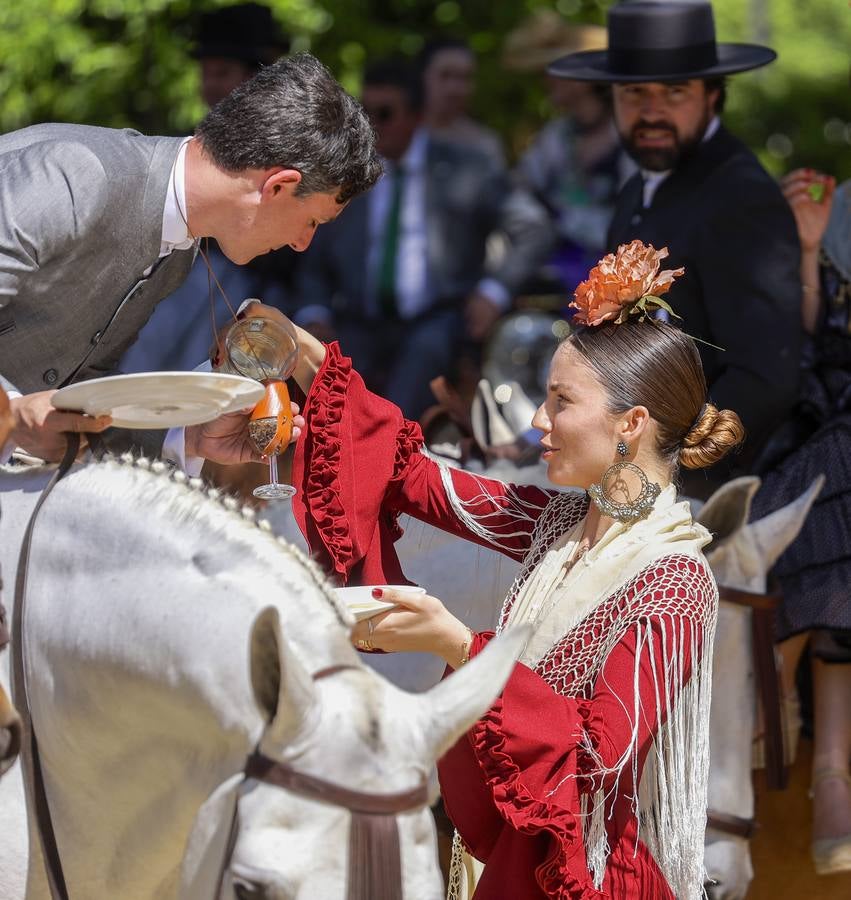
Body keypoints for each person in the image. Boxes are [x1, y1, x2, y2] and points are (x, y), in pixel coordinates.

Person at [287, 240, 744, 898]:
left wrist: (456, 646)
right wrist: (308, 359)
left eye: (560, 401)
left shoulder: (673, 581)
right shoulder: (554, 524)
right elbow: (413, 479)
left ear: (631, 423)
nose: (537, 421)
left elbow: (596, 756)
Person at [0, 52, 380, 464]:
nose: (303, 243)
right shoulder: (78, 176)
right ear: (278, 187)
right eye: (311, 221)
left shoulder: (179, 245)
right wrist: (11, 416)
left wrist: (187, 437)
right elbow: (25, 410)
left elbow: (78, 387)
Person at [549, 0, 801, 497]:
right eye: (633, 92)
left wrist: (665, 477)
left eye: (675, 91)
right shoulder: (636, 194)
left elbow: (763, 377)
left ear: (712, 96)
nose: (651, 110)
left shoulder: (741, 197)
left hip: (714, 492)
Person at [294, 58, 551, 419]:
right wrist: (314, 311)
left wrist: (493, 293)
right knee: (329, 389)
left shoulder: (466, 168)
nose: (370, 126)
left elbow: (532, 227)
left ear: (416, 116)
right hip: (357, 319)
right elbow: (312, 254)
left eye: (384, 113)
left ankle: (389, 466)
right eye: (363, 113)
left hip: (437, 319)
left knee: (408, 386)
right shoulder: (343, 171)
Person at [749, 167, 851, 875]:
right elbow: (817, 345)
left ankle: (785, 707)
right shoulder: (841, 208)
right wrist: (811, 250)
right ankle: (827, 771)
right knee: (816, 480)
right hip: (834, 409)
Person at [121, 2, 298, 374]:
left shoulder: (291, 144)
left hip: (261, 287)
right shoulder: (194, 140)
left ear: (254, 78)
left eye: (223, 72)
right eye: (206, 73)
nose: (212, 85)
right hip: (181, 274)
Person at [504, 10, 634, 293]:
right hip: (556, 275)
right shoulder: (556, 136)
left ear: (580, 78)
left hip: (617, 279)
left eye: (552, 71)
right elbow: (520, 188)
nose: (546, 80)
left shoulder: (629, 134)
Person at [418, 37, 505, 170]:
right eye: (445, 75)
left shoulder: (485, 145)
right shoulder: (396, 138)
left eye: (465, 77)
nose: (454, 89)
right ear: (421, 76)